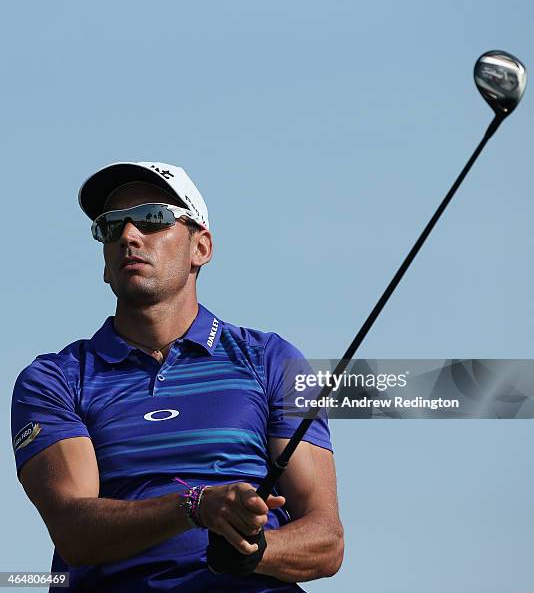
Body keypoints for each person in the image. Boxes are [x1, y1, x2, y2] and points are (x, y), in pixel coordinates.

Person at [11, 161, 344, 592]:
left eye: (153, 219)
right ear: (106, 263)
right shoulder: (53, 379)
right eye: (111, 228)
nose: (129, 236)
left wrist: (257, 551)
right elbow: (74, 531)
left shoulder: (273, 361)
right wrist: (195, 506)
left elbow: (327, 542)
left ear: (201, 247)